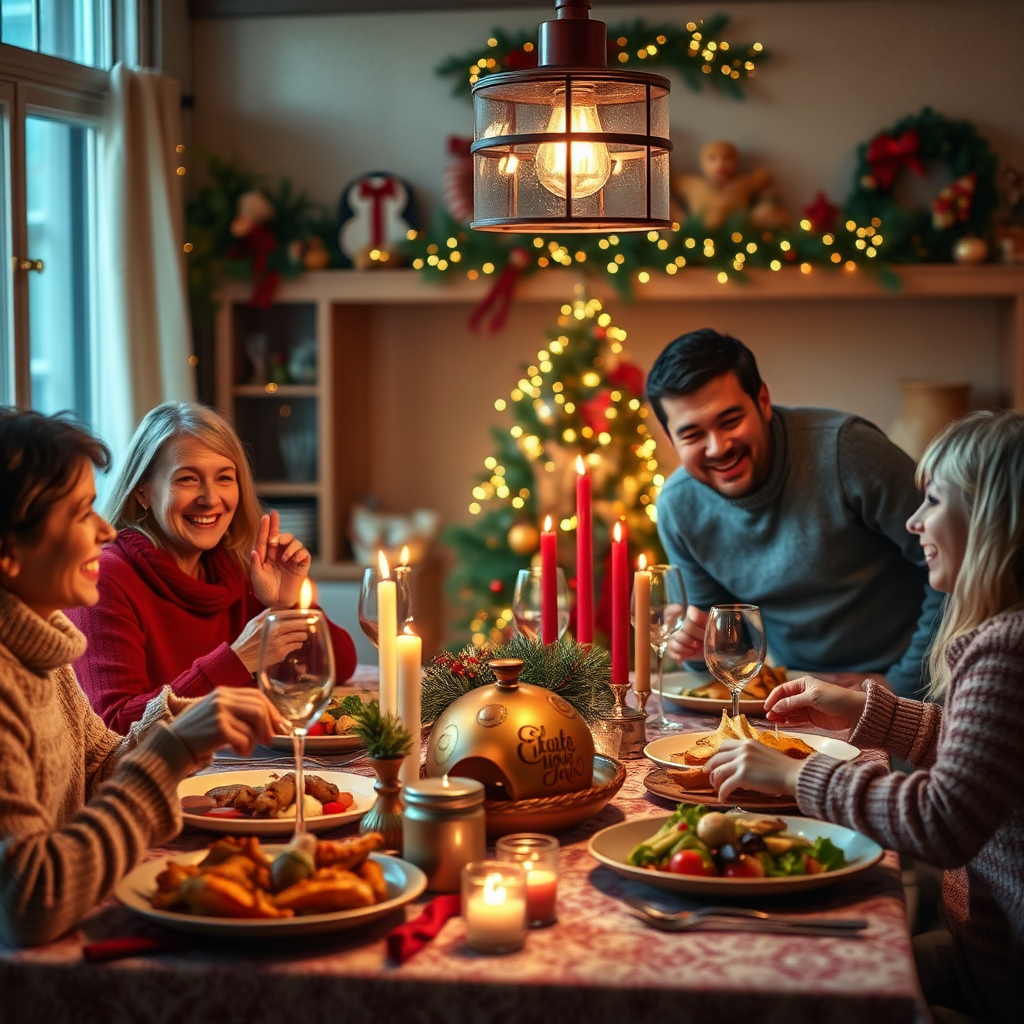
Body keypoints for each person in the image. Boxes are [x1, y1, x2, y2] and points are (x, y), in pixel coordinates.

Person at [705, 410, 1024, 1024]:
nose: (914, 521)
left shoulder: (1006, 648)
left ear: (989, 517)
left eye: (932, 500)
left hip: (1000, 987)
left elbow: (943, 819)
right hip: (980, 959)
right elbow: (984, 765)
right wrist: (867, 713)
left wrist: (793, 776)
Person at [0, 408, 284, 947]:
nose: (104, 530)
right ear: (9, 553)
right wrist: (173, 750)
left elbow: (100, 765)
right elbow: (27, 903)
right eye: (80, 512)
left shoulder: (44, 647)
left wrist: (183, 727)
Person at [647, 328, 943, 697]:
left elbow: (958, 568)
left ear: (763, 401)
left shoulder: (848, 450)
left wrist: (900, 684)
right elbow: (726, 644)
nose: (717, 447)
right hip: (794, 690)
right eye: (691, 435)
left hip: (908, 683)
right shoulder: (678, 507)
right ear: (669, 435)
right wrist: (693, 646)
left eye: (730, 421)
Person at [69, 401, 357, 731]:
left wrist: (287, 607)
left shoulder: (239, 569)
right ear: (143, 492)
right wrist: (236, 660)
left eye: (224, 477)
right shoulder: (105, 578)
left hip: (242, 769)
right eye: (188, 479)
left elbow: (340, 667)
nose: (210, 498)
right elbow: (114, 725)